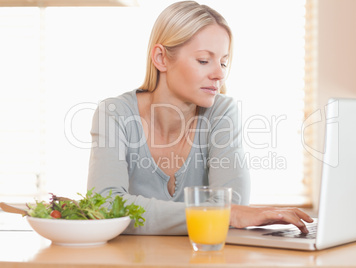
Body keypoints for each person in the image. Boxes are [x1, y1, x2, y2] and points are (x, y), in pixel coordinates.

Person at [87, 0, 313, 235]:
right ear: (161, 58)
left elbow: (231, 206)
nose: (219, 74)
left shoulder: (222, 112)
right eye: (204, 60)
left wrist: (228, 213)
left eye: (224, 62)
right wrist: (224, 214)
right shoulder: (114, 114)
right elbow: (105, 206)